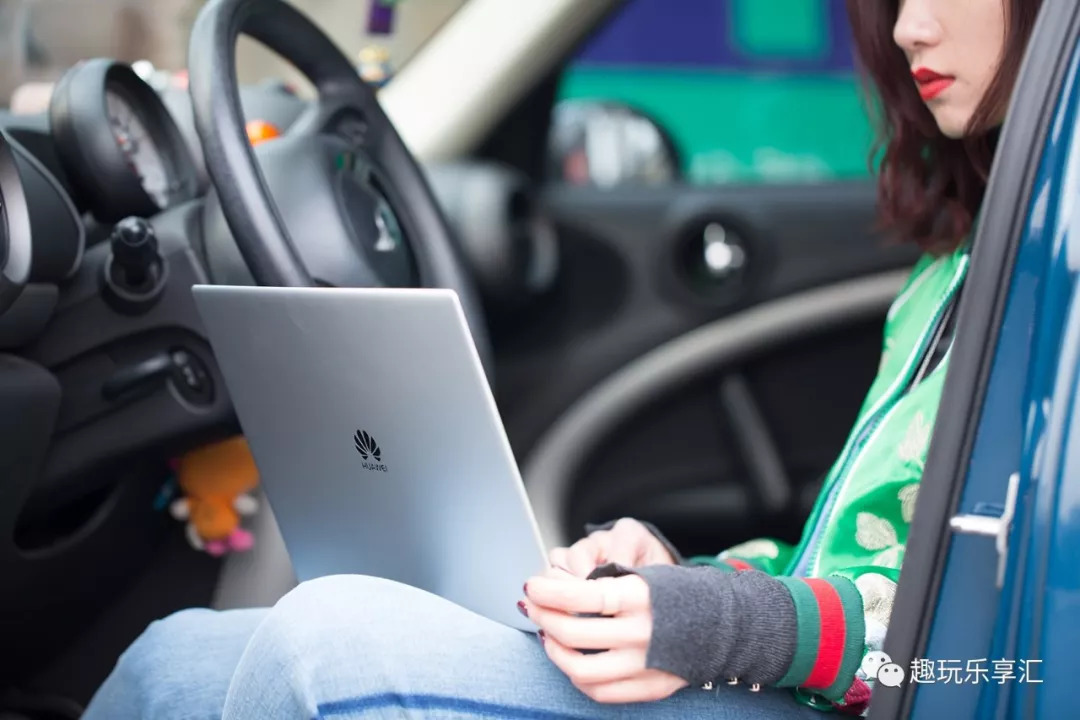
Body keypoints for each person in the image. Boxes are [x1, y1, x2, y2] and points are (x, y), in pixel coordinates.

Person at [83, 0, 1042, 717]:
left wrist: (739, 628)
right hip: (826, 684)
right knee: (176, 659)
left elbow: (1016, 665)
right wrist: (680, 581)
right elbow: (862, 563)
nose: (909, 26)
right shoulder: (955, 271)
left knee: (325, 643)